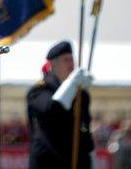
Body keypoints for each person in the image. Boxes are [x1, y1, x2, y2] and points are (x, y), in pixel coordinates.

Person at [26, 40, 95, 169]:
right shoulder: (40, 90)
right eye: (65, 60)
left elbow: (84, 128)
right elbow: (52, 110)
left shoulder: (81, 95)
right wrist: (72, 84)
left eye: (71, 59)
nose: (71, 64)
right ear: (53, 65)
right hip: (49, 163)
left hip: (76, 161)